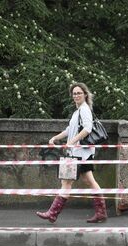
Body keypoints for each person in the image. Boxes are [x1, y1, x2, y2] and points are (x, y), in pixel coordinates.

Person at [36, 82, 107, 223]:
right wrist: (56, 137)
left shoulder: (84, 110)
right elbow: (69, 130)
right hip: (80, 153)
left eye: (79, 93)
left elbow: (87, 129)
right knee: (87, 181)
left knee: (67, 182)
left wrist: (72, 142)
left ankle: (53, 213)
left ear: (85, 94)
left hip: (80, 153)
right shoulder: (78, 111)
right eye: (74, 93)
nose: (76, 95)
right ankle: (101, 213)